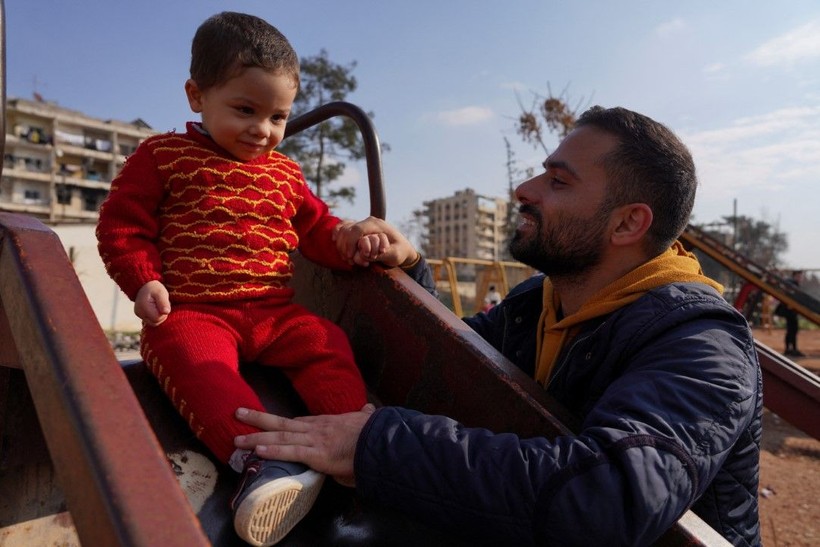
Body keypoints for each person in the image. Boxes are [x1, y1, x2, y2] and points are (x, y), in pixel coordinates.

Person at [234, 107, 763, 545]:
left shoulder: (703, 345)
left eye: (557, 182)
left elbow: (609, 498)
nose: (524, 190)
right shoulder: (539, 302)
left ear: (627, 223)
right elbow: (456, 367)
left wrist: (374, 446)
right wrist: (410, 273)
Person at [96, 12, 395, 547]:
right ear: (196, 95)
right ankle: (266, 466)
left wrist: (349, 239)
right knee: (188, 358)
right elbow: (123, 226)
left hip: (274, 312)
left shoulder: (285, 172)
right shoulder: (163, 157)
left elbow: (317, 230)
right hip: (195, 310)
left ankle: (355, 437)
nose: (264, 130)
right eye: (245, 110)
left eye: (278, 116)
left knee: (327, 342)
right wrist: (143, 280)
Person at [779, 270, 805, 357]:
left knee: (792, 330)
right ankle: (791, 350)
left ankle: (790, 349)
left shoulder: (794, 284)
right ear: (794, 276)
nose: (800, 278)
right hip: (789, 311)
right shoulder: (791, 283)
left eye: (801, 276)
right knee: (792, 330)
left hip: (791, 311)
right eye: (798, 276)